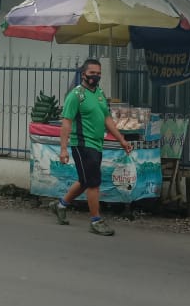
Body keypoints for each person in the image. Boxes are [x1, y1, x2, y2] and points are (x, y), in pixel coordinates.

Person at [49, 59, 132, 236]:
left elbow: (107, 119)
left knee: (86, 180)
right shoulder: (76, 95)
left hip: (97, 144)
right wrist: (63, 149)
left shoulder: (100, 94)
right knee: (93, 183)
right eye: (92, 73)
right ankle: (96, 221)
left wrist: (121, 140)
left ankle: (60, 205)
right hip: (82, 144)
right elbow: (66, 123)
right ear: (83, 73)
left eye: (98, 73)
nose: (95, 76)